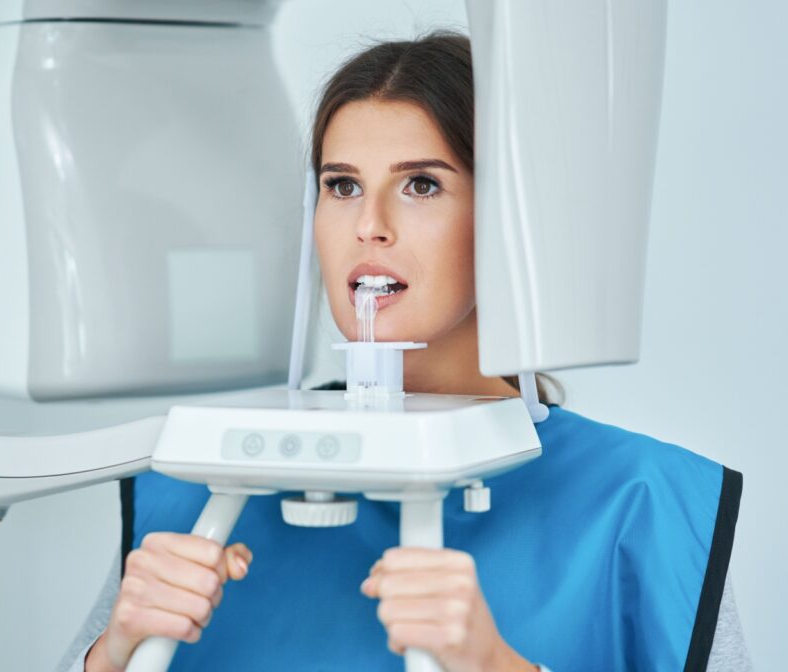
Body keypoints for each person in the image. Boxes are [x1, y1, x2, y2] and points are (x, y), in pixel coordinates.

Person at [61, 33, 751, 672]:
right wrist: (113, 651)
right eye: (343, 185)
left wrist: (498, 666)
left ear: (511, 222)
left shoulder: (644, 505)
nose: (368, 225)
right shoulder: (192, 487)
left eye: (421, 184)